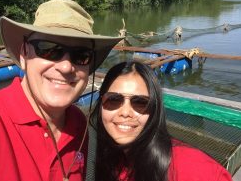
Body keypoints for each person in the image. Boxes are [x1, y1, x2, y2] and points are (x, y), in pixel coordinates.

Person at [0, 0, 123, 181]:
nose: (66, 67)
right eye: (49, 50)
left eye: (81, 56)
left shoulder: (80, 125)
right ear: (24, 55)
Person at [90, 61, 232, 181]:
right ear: (101, 104)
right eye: (114, 99)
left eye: (140, 102)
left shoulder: (193, 168)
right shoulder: (109, 158)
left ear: (155, 109)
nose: (125, 112)